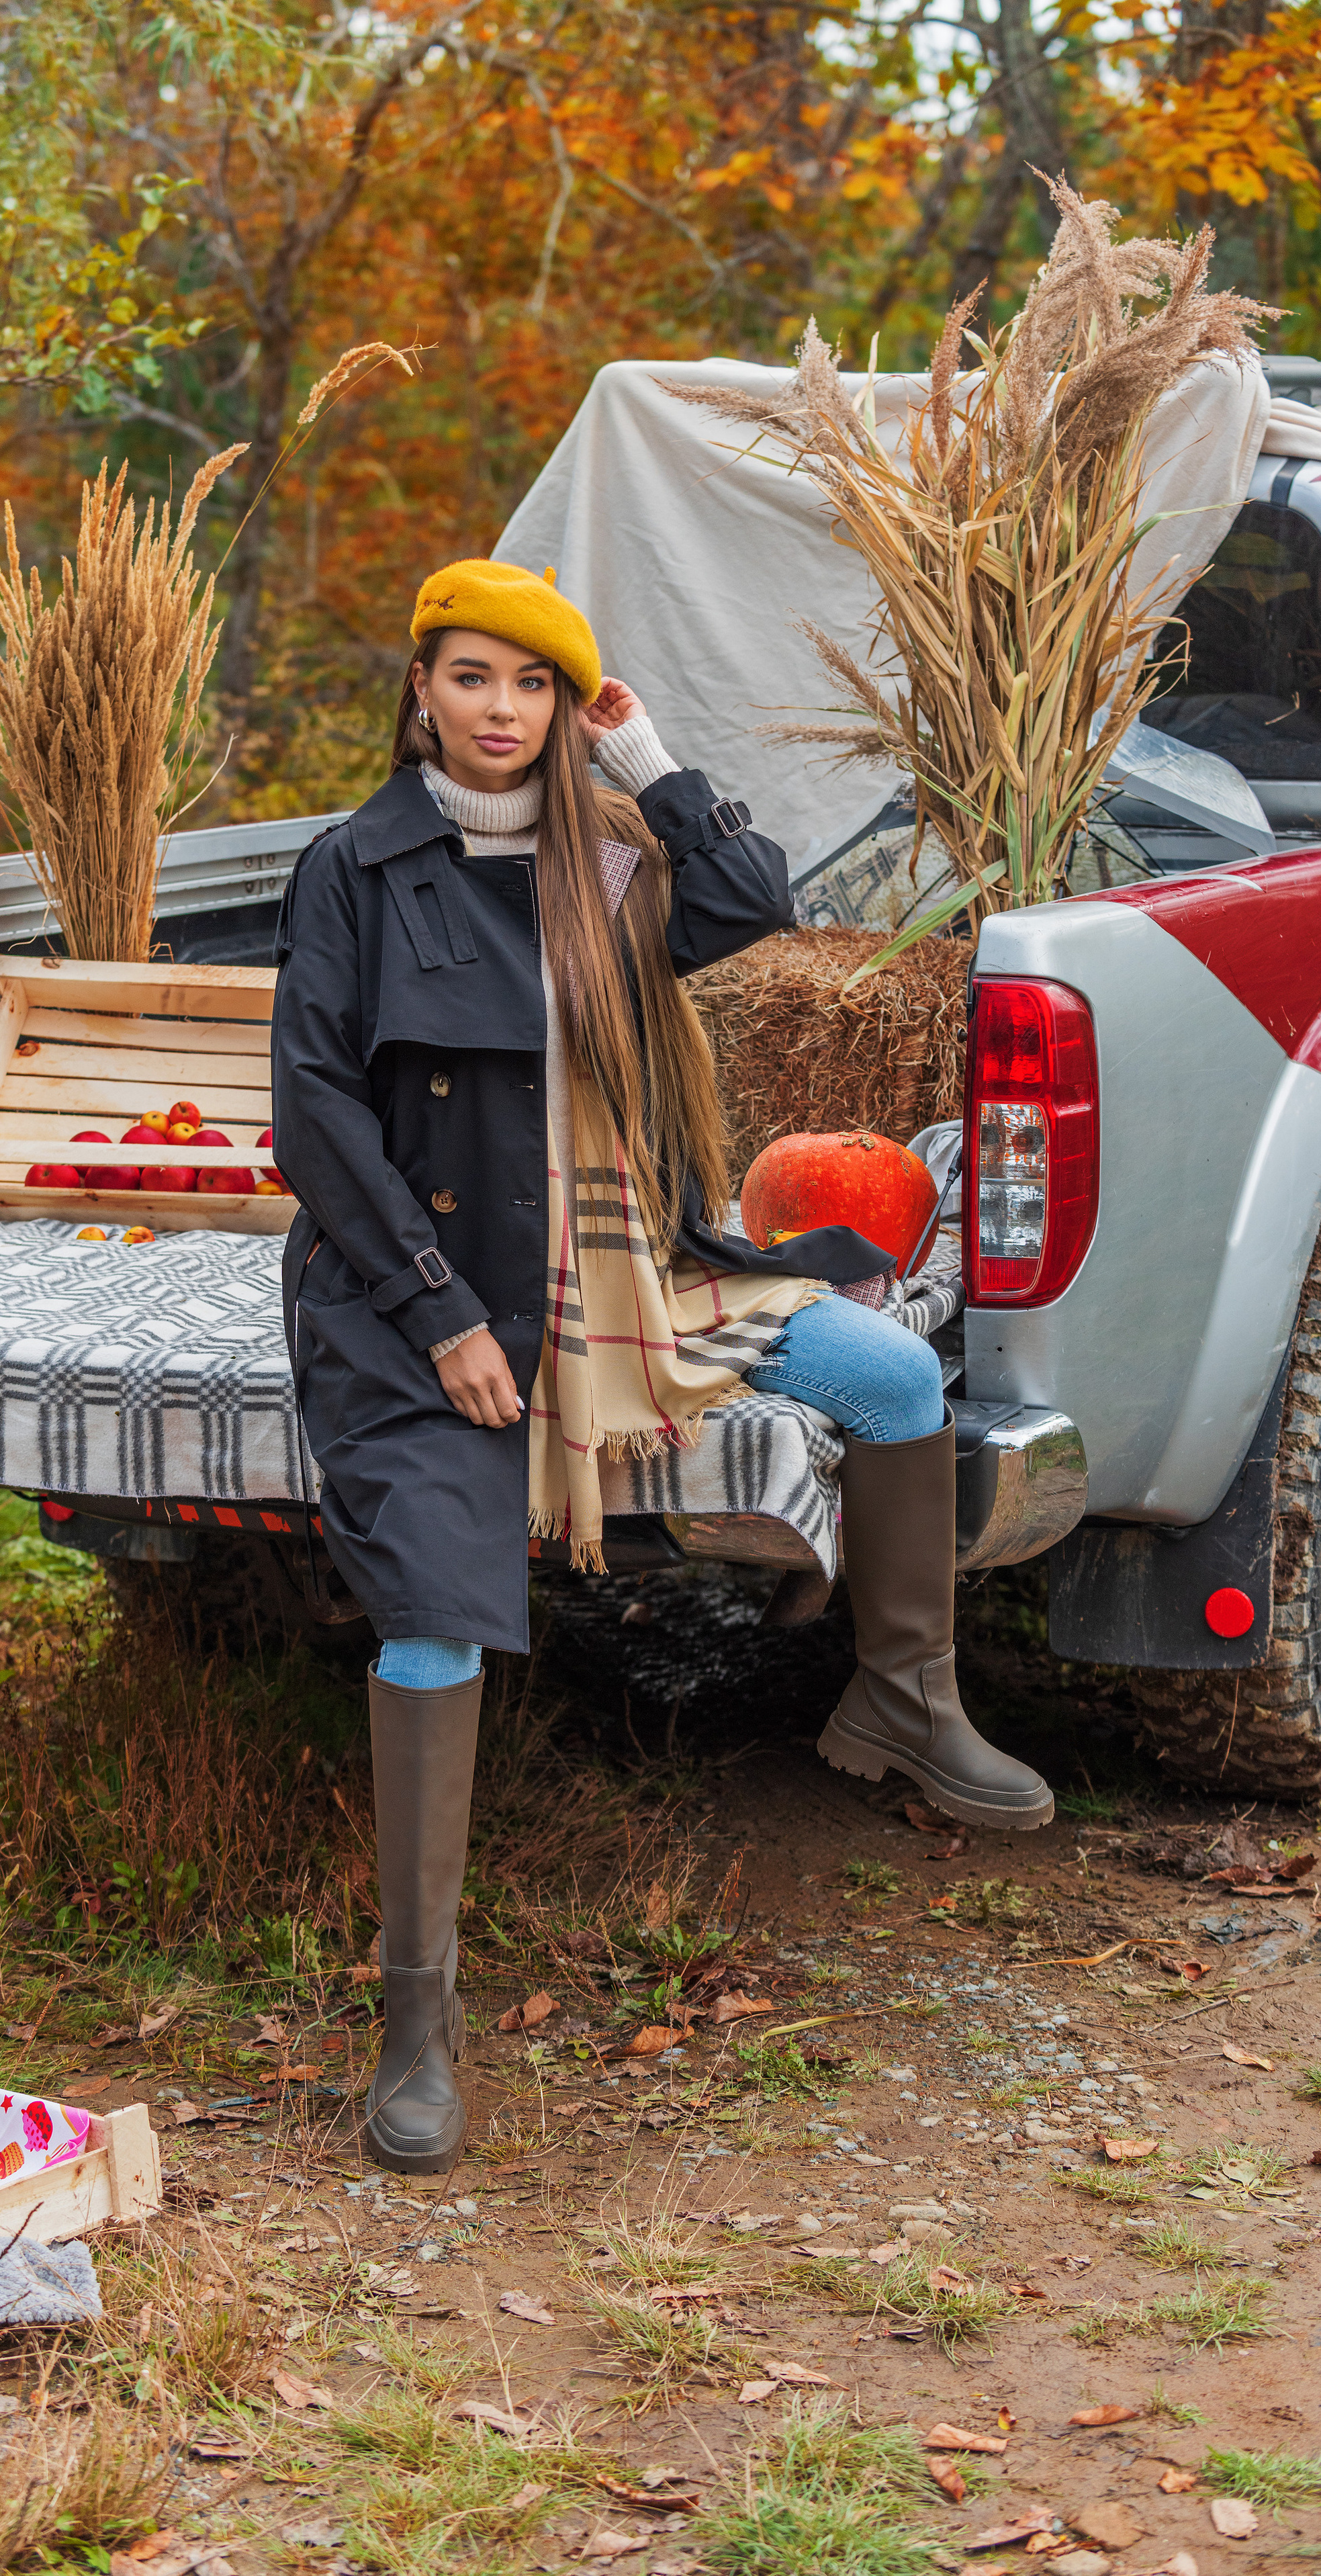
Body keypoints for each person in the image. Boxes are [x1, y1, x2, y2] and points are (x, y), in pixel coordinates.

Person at [271, 559, 1052, 2172]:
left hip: (633, 1262)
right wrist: (437, 1314)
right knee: (430, 1621)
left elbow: (755, 904)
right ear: (419, 685)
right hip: (423, 1292)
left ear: (565, 706)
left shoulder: (607, 855)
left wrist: (648, 751)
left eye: (534, 686)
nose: (500, 712)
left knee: (894, 1382)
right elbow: (314, 1114)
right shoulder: (353, 867)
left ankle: (903, 1697)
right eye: (471, 677)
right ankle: (415, 2030)